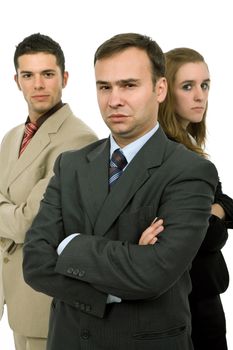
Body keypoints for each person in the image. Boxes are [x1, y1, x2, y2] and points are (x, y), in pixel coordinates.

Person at [23, 33, 218, 350]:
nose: (114, 99)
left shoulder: (190, 171)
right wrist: (126, 264)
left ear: (160, 89)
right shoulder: (70, 165)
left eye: (128, 85)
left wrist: (70, 245)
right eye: (104, 87)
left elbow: (154, 273)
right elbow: (35, 263)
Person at [0, 33, 98, 350]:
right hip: (13, 295)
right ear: (16, 80)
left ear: (64, 78)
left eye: (48, 74)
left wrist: (11, 214)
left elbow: (27, 223)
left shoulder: (78, 140)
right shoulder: (12, 137)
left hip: (46, 299)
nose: (38, 85)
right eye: (28, 75)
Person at [158, 47, 233, 350]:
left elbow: (228, 204)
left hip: (200, 293)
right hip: (187, 297)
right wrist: (216, 215)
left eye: (205, 85)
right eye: (187, 86)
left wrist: (217, 209)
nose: (200, 95)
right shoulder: (168, 153)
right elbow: (206, 237)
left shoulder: (190, 145)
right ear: (163, 91)